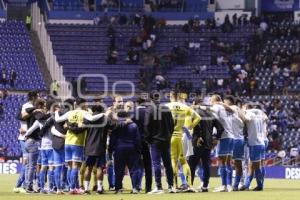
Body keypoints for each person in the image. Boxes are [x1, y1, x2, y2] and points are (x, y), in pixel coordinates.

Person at [54, 98, 108, 195]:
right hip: (77, 143)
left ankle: (68, 187)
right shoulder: (84, 113)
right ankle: (73, 188)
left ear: (75, 104)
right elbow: (92, 119)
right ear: (83, 104)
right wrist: (103, 114)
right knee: (75, 166)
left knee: (70, 166)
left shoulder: (70, 113)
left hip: (67, 142)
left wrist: (56, 112)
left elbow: (58, 120)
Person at [165, 91, 201, 190]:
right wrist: (189, 127)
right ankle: (189, 185)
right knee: (183, 161)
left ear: (171, 96)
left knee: (173, 160)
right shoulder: (185, 107)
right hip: (181, 136)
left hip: (171, 136)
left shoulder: (167, 106)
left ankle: (175, 185)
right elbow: (198, 117)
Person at [189, 97, 224, 192]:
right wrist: (216, 138)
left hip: (197, 142)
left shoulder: (195, 111)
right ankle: (205, 186)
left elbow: (197, 125)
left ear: (194, 102)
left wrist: (199, 136)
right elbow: (220, 128)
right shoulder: (211, 113)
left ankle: (190, 185)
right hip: (208, 143)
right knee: (206, 165)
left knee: (192, 164)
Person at [144, 92, 176, 194]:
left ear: (150, 99)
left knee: (156, 163)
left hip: (155, 141)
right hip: (166, 140)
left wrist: (148, 139)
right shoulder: (166, 108)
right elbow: (172, 124)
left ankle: (159, 187)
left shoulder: (150, 109)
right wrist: (169, 135)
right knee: (167, 164)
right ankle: (171, 186)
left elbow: (146, 126)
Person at [108, 109, 141, 194]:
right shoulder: (134, 125)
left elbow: (112, 139)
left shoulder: (116, 126)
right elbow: (137, 139)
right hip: (132, 149)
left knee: (119, 170)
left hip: (119, 149)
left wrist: (110, 150)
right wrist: (138, 151)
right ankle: (135, 188)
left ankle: (118, 189)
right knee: (133, 169)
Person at [207, 95, 234, 192]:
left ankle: (224, 186)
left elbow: (213, 122)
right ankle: (229, 185)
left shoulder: (216, 107)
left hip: (224, 137)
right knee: (228, 162)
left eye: (211, 100)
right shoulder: (226, 108)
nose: (210, 102)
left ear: (214, 100)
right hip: (231, 136)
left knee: (222, 162)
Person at [13, 91, 38, 193]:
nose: (38, 97)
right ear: (33, 97)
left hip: (25, 137)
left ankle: (21, 185)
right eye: (37, 96)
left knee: (27, 163)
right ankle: (21, 186)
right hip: (25, 137)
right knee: (27, 163)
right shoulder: (27, 106)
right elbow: (22, 116)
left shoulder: (29, 106)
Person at [240, 104, 268, 191]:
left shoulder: (249, 113)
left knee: (256, 166)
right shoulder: (259, 114)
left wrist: (242, 111)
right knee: (252, 165)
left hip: (255, 143)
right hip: (261, 142)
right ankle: (246, 185)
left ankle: (260, 185)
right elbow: (266, 118)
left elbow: (245, 119)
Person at [83, 99, 107, 195]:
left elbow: (82, 126)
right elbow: (113, 126)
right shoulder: (104, 118)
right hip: (100, 147)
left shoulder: (88, 118)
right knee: (100, 168)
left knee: (88, 168)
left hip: (89, 147)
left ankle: (86, 189)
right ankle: (99, 189)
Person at [223, 96, 245, 191]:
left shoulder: (235, 108)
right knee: (229, 162)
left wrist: (218, 102)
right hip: (234, 139)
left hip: (236, 140)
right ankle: (229, 184)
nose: (224, 103)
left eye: (225, 102)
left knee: (237, 163)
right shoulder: (230, 113)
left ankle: (235, 184)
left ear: (230, 102)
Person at [132, 97, 152, 193]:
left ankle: (136, 187)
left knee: (136, 164)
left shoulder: (134, 113)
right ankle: (148, 188)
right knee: (148, 165)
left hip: (136, 141)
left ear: (137, 103)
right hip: (147, 141)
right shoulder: (149, 112)